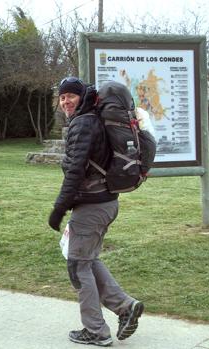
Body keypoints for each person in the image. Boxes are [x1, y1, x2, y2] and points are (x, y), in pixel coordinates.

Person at [48, 77, 144, 347]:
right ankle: (125, 307)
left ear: (83, 97)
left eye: (71, 96)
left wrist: (59, 207)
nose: (66, 101)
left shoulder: (83, 123)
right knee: (86, 260)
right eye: (62, 96)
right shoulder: (91, 119)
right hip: (104, 202)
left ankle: (96, 331)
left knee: (78, 266)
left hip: (92, 205)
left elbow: (76, 170)